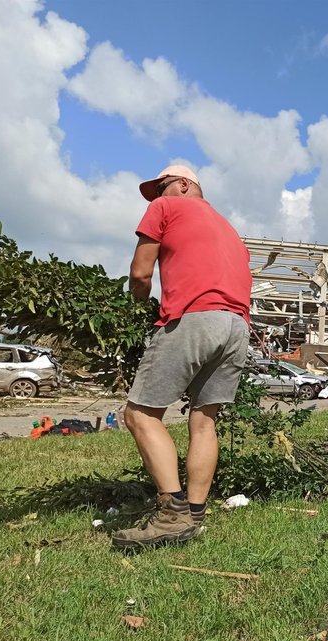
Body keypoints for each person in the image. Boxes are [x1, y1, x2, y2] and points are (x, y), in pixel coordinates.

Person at [111, 164, 252, 550]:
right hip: (237, 326)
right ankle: (194, 513)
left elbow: (140, 274)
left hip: (195, 318)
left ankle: (171, 515)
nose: (157, 196)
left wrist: (136, 308)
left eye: (162, 187)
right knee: (204, 420)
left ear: (185, 184)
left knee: (140, 414)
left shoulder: (165, 209)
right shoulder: (228, 229)